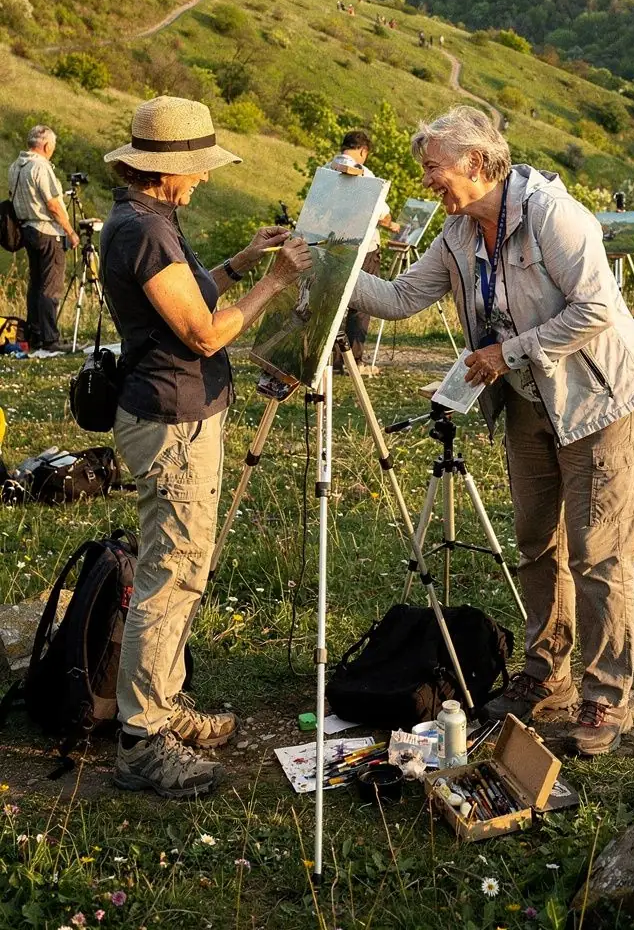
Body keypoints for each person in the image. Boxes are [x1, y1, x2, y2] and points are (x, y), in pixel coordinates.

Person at [348, 106, 634, 756]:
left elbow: (598, 307)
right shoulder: (459, 233)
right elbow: (404, 298)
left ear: (476, 163)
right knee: (535, 542)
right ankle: (547, 675)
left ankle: (604, 699)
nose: (427, 180)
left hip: (599, 401)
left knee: (597, 553)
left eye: (434, 167)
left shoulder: (552, 214)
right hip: (527, 405)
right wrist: (334, 271)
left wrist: (506, 353)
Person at [100, 96, 311, 798]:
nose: (204, 180)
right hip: (172, 418)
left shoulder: (147, 219)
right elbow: (202, 334)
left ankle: (162, 703)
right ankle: (143, 741)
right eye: (196, 169)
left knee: (178, 567)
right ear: (165, 171)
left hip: (172, 412)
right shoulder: (145, 232)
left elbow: (183, 302)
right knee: (171, 575)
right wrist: (277, 283)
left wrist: (243, 262)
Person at [327, 130, 399, 370]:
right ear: (363, 151)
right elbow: (381, 213)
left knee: (336, 302)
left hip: (334, 245)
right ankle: (353, 361)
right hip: (363, 249)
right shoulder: (363, 173)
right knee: (361, 305)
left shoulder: (328, 169)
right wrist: (392, 224)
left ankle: (333, 360)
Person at [7, 125, 78, 351]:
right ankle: (50, 339)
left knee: (36, 284)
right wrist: (70, 231)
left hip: (27, 229)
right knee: (50, 286)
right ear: (46, 145)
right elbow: (53, 204)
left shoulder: (15, 167)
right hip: (47, 231)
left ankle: (35, 334)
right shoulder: (40, 167)